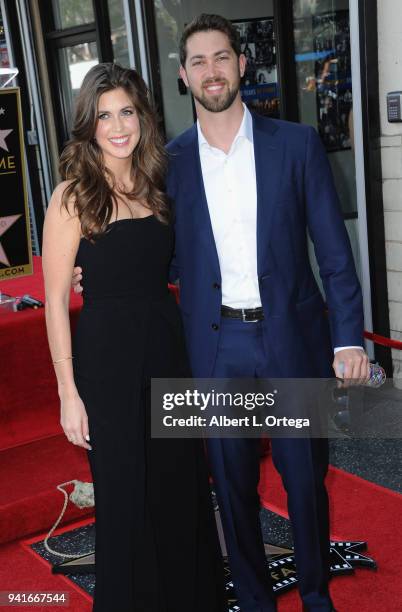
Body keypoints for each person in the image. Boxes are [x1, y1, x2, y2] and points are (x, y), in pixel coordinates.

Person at [73, 14, 369, 612]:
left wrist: (348, 340)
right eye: (199, 62)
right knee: (231, 486)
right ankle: (255, 601)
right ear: (184, 76)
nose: (212, 71)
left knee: (305, 481)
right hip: (215, 347)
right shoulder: (169, 166)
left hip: (292, 342)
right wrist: (95, 267)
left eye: (222, 58)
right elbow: (161, 256)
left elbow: (334, 254)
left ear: (241, 65)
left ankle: (316, 597)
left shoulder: (297, 145)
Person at [42, 62, 226, 612]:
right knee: (125, 500)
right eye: (104, 116)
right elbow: (54, 300)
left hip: (168, 354)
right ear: (89, 124)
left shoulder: (156, 186)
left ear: (142, 117)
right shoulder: (73, 196)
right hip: (108, 364)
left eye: (126, 112)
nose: (118, 126)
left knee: (179, 488)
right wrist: (67, 394)